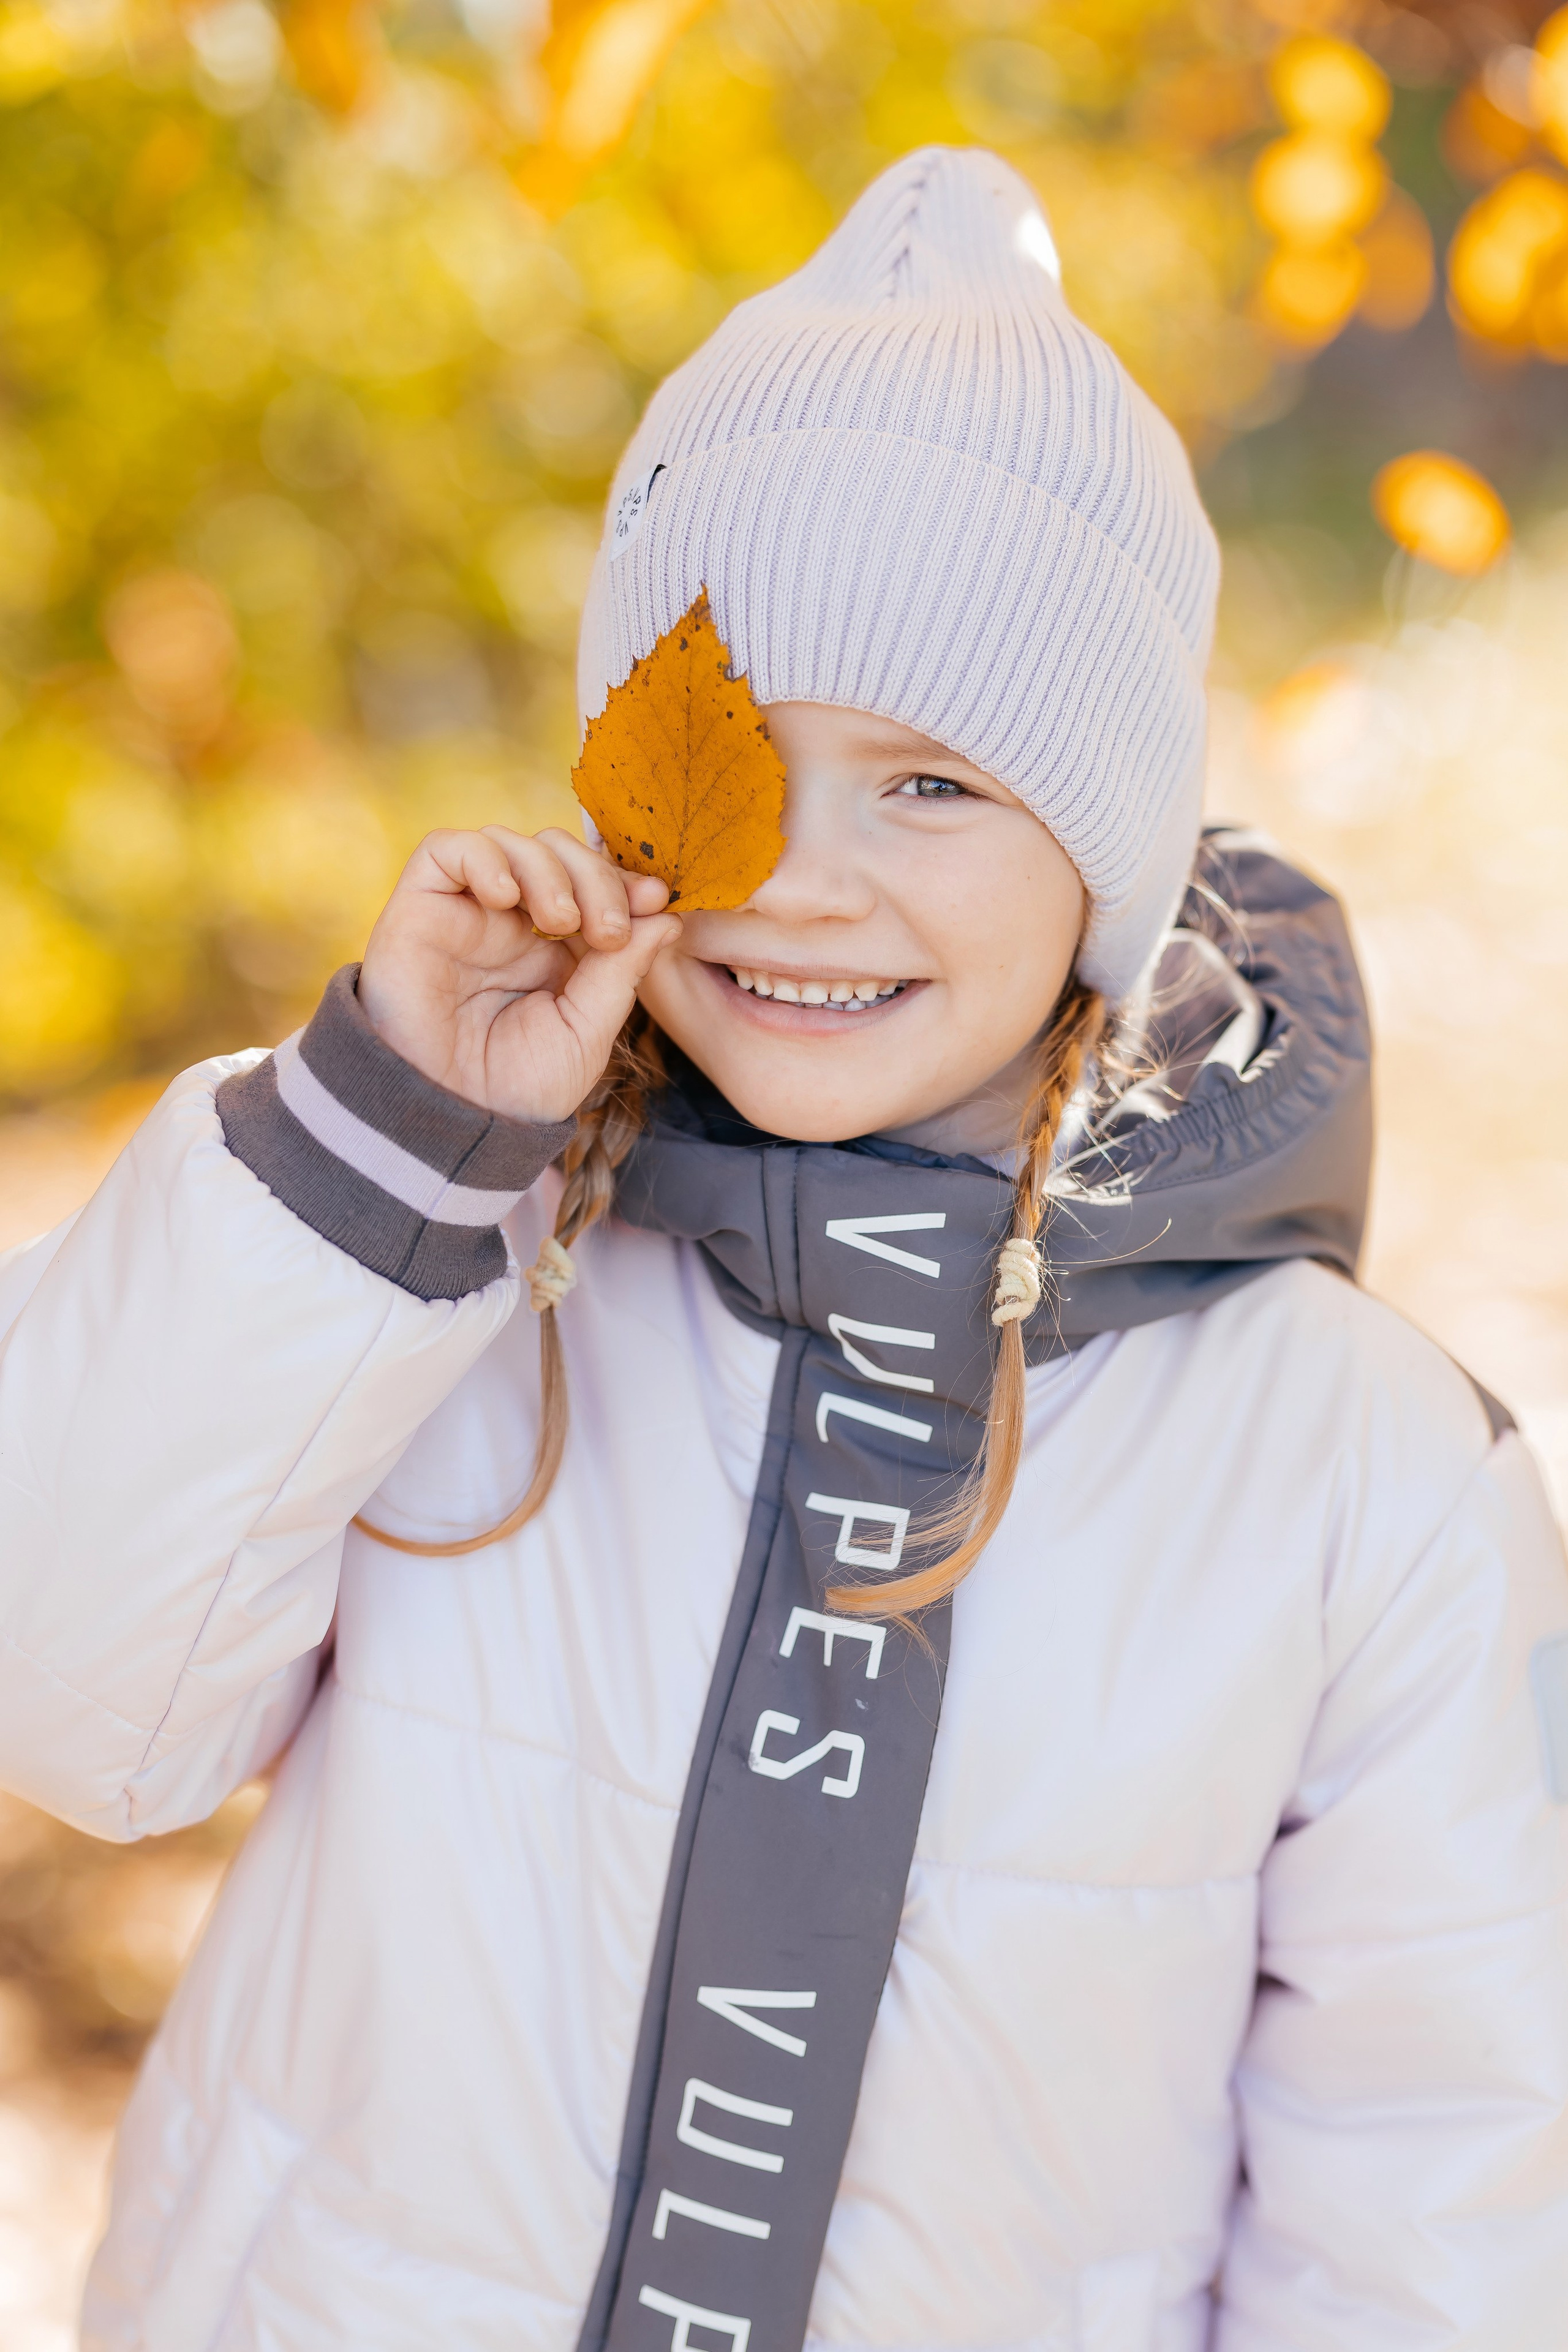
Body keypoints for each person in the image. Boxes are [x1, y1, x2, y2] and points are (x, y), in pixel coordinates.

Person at [2, 147, 1566, 2352]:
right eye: (726, 761)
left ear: (1111, 847)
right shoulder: (450, 1266)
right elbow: (70, 1701)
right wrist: (382, 1148)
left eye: (934, 785)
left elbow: (1444, 2203)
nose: (798, 881)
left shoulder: (1357, 1472)